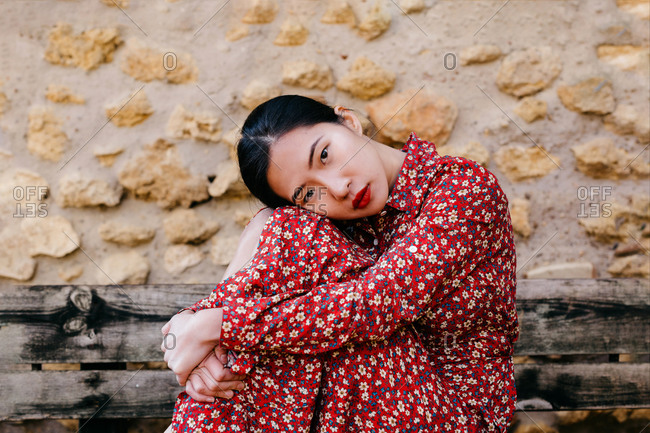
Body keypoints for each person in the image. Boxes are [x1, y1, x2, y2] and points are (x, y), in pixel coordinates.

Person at [162, 95, 519, 432]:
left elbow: (375, 304)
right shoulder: (330, 224)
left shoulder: (463, 189)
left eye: (326, 155)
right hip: (358, 406)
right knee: (280, 230)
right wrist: (196, 321)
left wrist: (217, 325)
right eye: (307, 194)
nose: (336, 188)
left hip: (453, 414)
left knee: (291, 246)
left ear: (348, 120)